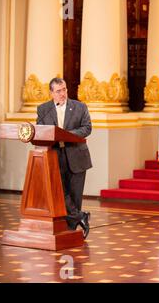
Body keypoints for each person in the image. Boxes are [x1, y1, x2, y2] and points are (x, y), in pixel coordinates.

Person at [36, 77, 92, 238]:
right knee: (59, 192)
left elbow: (87, 128)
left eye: (65, 89)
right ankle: (81, 216)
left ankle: (71, 232)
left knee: (74, 195)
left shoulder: (80, 107)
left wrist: (66, 135)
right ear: (51, 93)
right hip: (54, 156)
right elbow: (40, 129)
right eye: (59, 91)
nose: (63, 94)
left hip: (76, 155)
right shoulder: (43, 109)